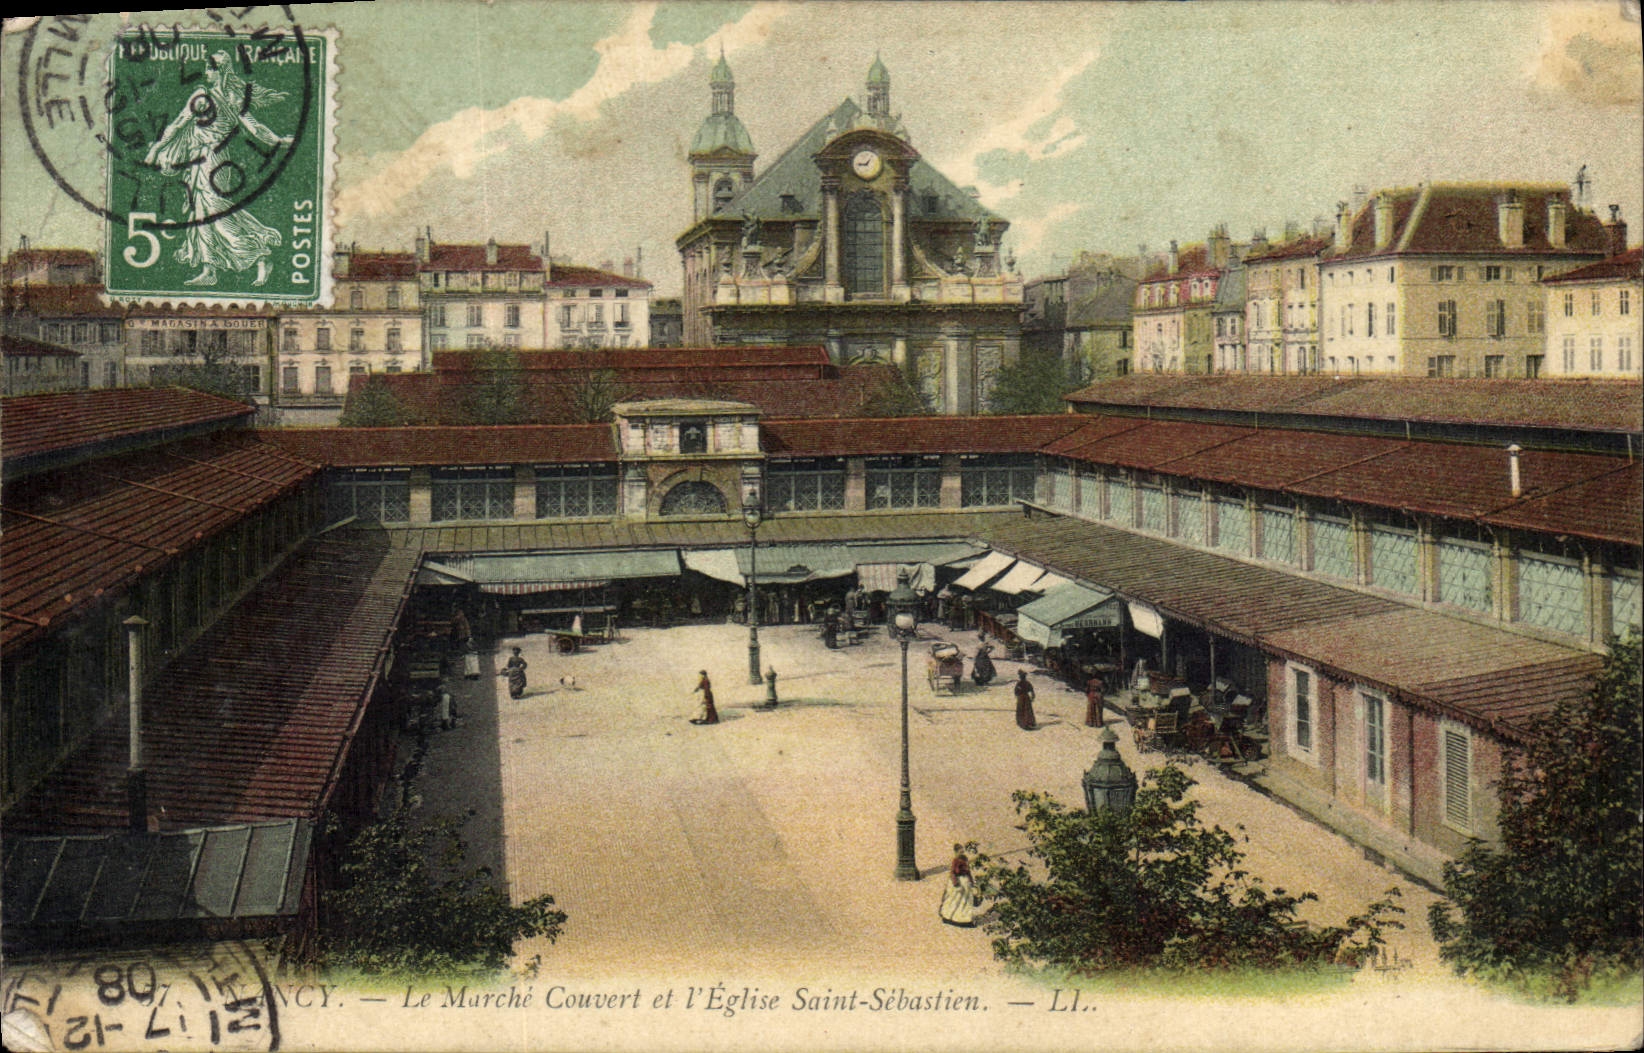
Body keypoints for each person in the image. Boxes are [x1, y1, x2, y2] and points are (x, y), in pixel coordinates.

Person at [142, 52, 293, 287]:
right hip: (197, 159)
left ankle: (259, 256)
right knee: (199, 214)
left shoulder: (231, 99)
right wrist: (156, 150)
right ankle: (209, 268)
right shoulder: (202, 96)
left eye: (209, 69)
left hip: (215, 160)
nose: (206, 73)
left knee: (215, 211)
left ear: (220, 71)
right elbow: (178, 124)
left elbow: (255, 128)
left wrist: (278, 141)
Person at [938, 845, 977, 927]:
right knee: (955, 900)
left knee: (966, 901)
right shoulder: (955, 861)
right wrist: (956, 884)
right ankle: (949, 917)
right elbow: (952, 873)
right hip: (958, 882)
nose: (962, 853)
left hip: (965, 881)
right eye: (960, 852)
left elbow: (968, 871)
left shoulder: (965, 859)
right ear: (955, 852)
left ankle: (965, 919)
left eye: (962, 851)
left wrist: (972, 882)